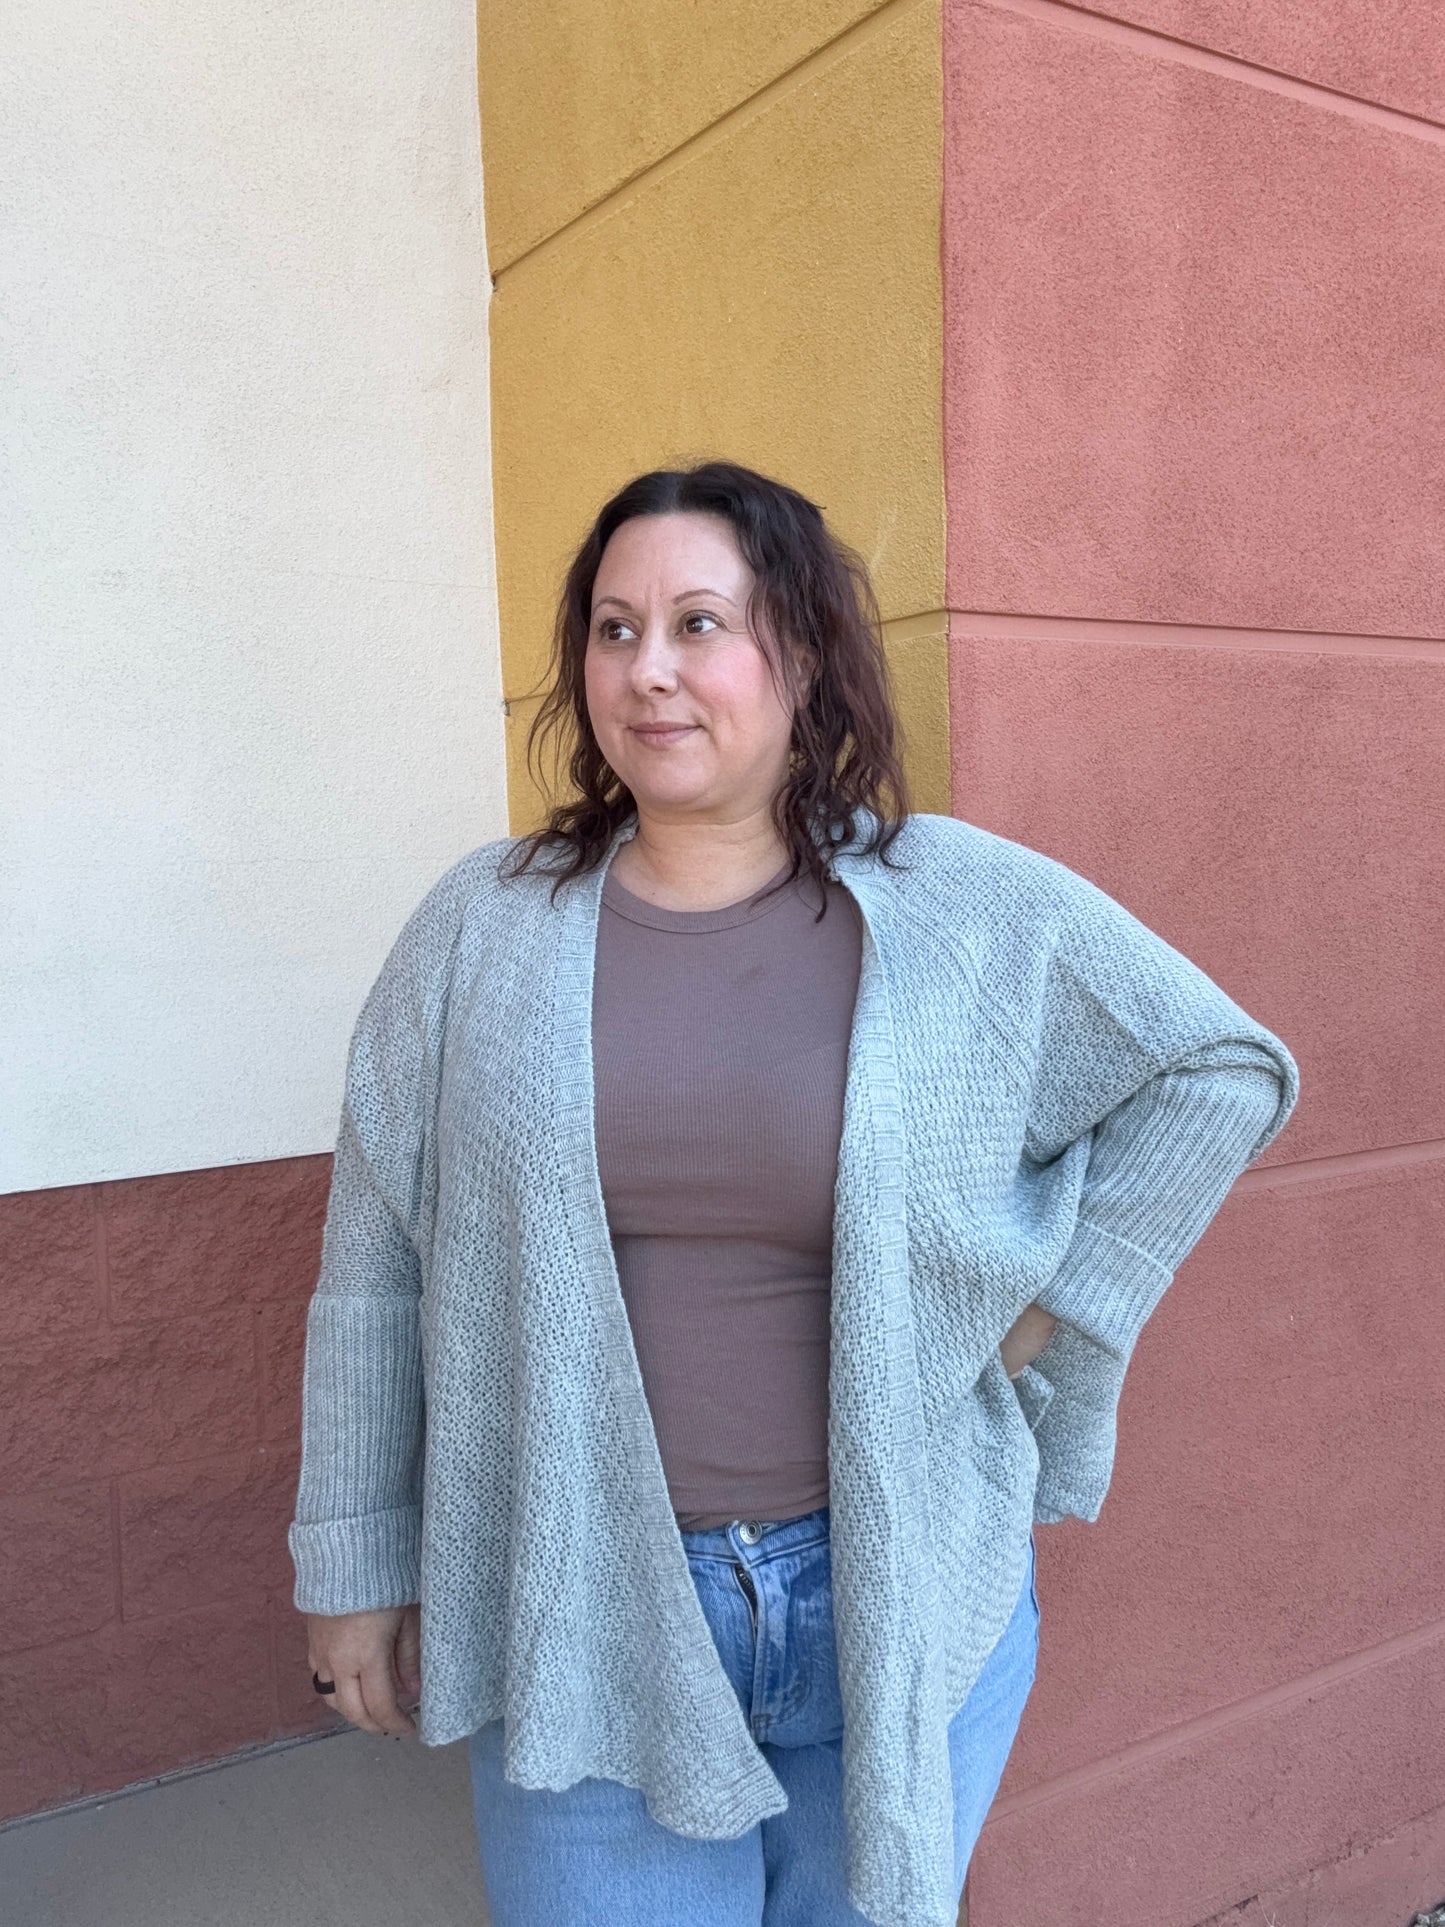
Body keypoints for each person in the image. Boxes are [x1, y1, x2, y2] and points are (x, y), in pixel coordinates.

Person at [290, 459, 1299, 1927]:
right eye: (615, 629)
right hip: (577, 1598)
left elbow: (1218, 1067)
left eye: (702, 623)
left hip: (893, 1589)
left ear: (804, 653)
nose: (651, 672)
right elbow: (374, 1263)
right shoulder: (479, 931)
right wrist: (353, 1564)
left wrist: (1051, 1306)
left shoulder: (957, 905)